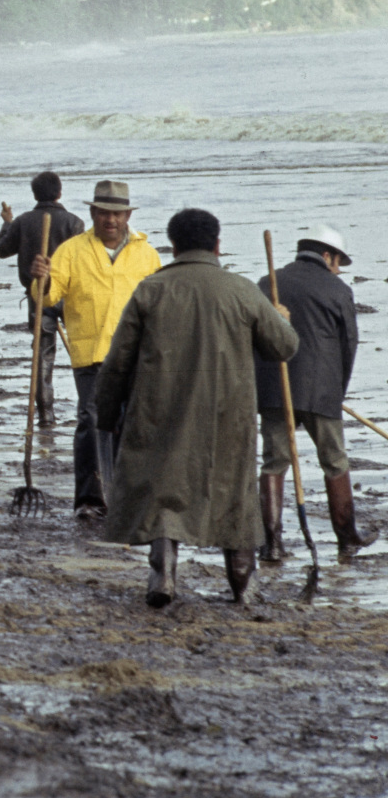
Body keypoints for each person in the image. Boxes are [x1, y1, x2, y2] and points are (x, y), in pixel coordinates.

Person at [98, 208, 299, 607]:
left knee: (164, 492)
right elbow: (285, 346)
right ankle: (243, 585)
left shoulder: (150, 289)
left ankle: (164, 576)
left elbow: (118, 361)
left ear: (172, 246)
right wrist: (280, 318)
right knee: (233, 497)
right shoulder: (241, 289)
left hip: (160, 412)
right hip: (228, 416)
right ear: (217, 245)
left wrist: (105, 414)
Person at [34, 180, 162, 521]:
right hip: (90, 353)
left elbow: (160, 305)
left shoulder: (146, 254)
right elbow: (46, 297)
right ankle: (90, 499)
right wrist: (40, 279)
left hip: (135, 355)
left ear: (127, 215)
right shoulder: (72, 250)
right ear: (92, 213)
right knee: (92, 423)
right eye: (104, 212)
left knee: (129, 424)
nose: (111, 220)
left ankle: (126, 497)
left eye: (117, 213)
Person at [254, 226, 376, 557]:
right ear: (326, 256)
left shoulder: (268, 283)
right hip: (321, 391)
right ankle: (347, 537)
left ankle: (271, 544)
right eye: (337, 263)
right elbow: (348, 344)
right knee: (335, 461)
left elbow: (253, 339)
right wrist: (338, 391)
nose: (338, 271)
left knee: (273, 462)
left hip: (274, 388)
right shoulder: (336, 289)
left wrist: (261, 389)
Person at [0, 171, 85, 427]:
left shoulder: (23, 222)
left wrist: (7, 223)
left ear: (35, 194)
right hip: (69, 297)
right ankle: (87, 407)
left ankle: (46, 415)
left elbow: (1, 249)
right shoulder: (74, 223)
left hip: (38, 296)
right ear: (59, 192)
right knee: (81, 352)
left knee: (42, 356)